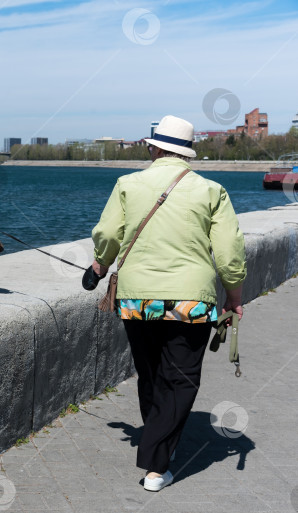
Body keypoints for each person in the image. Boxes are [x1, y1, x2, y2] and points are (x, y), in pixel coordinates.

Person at [87, 115, 247, 491]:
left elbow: (109, 233)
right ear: (187, 152)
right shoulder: (212, 190)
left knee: (151, 373)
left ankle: (156, 450)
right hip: (191, 301)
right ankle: (158, 464)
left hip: (136, 299)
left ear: (154, 147)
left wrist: (99, 265)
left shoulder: (128, 184)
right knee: (181, 379)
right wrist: (235, 295)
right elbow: (228, 251)